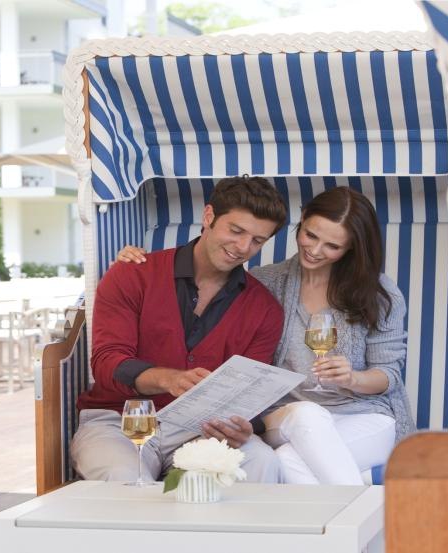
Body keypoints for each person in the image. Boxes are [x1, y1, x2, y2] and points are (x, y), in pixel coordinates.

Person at [117, 186, 414, 484]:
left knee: (285, 460)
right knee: (308, 414)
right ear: (302, 222)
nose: (315, 250)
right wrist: (141, 259)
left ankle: (333, 527)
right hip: (286, 415)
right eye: (310, 235)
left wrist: (353, 379)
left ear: (351, 248)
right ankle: (366, 519)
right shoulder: (264, 283)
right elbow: (205, 265)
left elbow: (389, 374)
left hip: (362, 417)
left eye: (332, 246)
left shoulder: (379, 294)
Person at [71, 175, 289, 484]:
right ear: (209, 216)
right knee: (124, 478)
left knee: (260, 461)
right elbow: (107, 363)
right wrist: (168, 379)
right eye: (236, 230)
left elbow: (248, 392)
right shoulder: (133, 275)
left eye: (257, 241)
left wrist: (244, 426)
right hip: (119, 421)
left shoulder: (265, 309)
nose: (243, 247)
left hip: (202, 430)